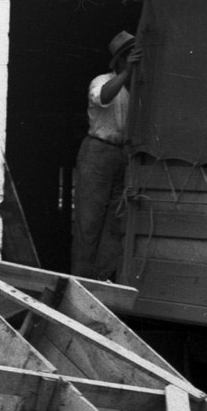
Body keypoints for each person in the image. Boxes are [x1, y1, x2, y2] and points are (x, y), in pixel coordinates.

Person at [71, 30, 140, 279]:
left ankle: (101, 281)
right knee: (88, 223)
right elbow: (103, 97)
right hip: (97, 153)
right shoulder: (102, 80)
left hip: (122, 155)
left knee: (114, 223)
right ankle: (80, 282)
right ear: (121, 59)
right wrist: (126, 73)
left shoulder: (139, 90)